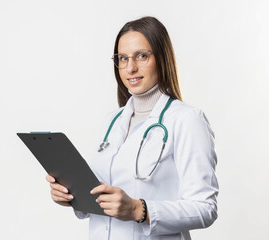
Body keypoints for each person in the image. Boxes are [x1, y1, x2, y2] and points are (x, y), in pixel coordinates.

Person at [46, 16, 218, 240]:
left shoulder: (187, 120)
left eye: (142, 56)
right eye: (122, 58)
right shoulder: (112, 121)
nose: (130, 67)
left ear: (162, 58)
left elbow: (205, 208)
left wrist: (140, 210)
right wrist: (72, 196)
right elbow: (102, 198)